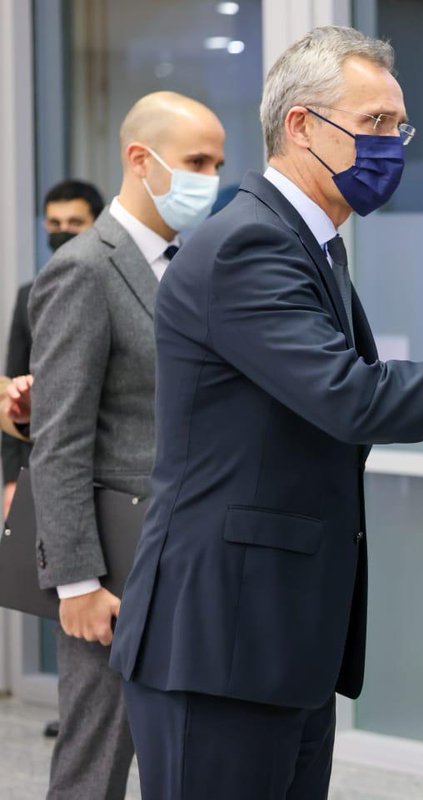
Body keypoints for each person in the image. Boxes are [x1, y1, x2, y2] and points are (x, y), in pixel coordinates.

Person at [109, 26, 423, 800]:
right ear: (300, 125)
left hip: (277, 638)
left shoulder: (311, 242)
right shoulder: (248, 245)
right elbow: (352, 397)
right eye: (374, 123)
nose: (392, 144)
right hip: (218, 638)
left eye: (399, 127)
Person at [29, 91, 226, 800]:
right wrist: (77, 582)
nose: (211, 179)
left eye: (218, 164)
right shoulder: (83, 268)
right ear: (141, 160)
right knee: (97, 760)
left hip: (197, 551)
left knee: (194, 758)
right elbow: (59, 438)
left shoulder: (201, 264)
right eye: (196, 162)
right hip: (115, 566)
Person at [2, 179, 104, 516]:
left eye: (74, 223)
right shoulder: (30, 295)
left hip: (106, 462)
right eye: (55, 224)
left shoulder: (112, 289)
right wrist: (12, 478)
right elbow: (13, 387)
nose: (63, 232)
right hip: (44, 461)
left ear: (96, 224)